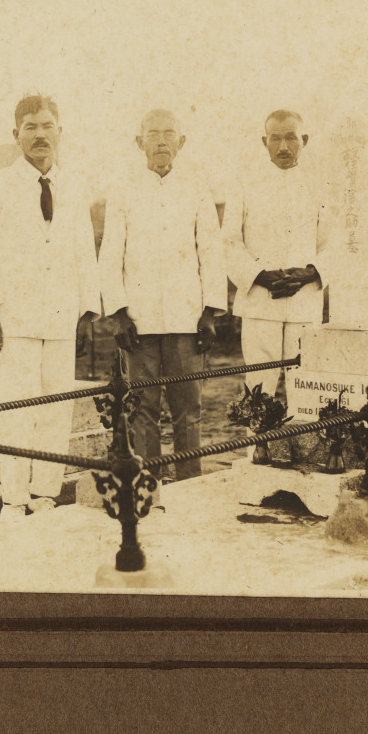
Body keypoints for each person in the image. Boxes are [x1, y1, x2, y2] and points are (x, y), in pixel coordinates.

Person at [0, 94, 102, 521]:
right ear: (16, 135)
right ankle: (14, 500)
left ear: (59, 132)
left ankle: (45, 495)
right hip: (14, 318)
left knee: (56, 410)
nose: (40, 135)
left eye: (47, 126)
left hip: (63, 316)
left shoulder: (74, 187)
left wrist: (87, 313)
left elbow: (84, 252)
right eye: (31, 128)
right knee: (14, 410)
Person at [100, 109, 226, 481]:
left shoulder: (197, 188)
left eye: (168, 133)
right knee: (143, 407)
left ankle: (190, 485)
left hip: (187, 318)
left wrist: (209, 312)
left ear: (180, 142)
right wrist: (119, 314)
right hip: (138, 321)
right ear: (139, 142)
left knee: (188, 407)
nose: (161, 141)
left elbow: (211, 252)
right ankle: (149, 486)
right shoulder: (122, 190)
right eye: (152, 134)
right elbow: (111, 254)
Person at [221, 109, 329, 398]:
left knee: (307, 385)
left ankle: (306, 430)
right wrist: (260, 276)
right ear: (264, 141)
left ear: (304, 140)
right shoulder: (244, 183)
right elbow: (229, 241)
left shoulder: (320, 185)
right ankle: (257, 431)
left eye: (291, 138)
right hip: (259, 301)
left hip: (304, 301)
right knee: (259, 386)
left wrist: (310, 273)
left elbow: (332, 243)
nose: (283, 147)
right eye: (275, 139)